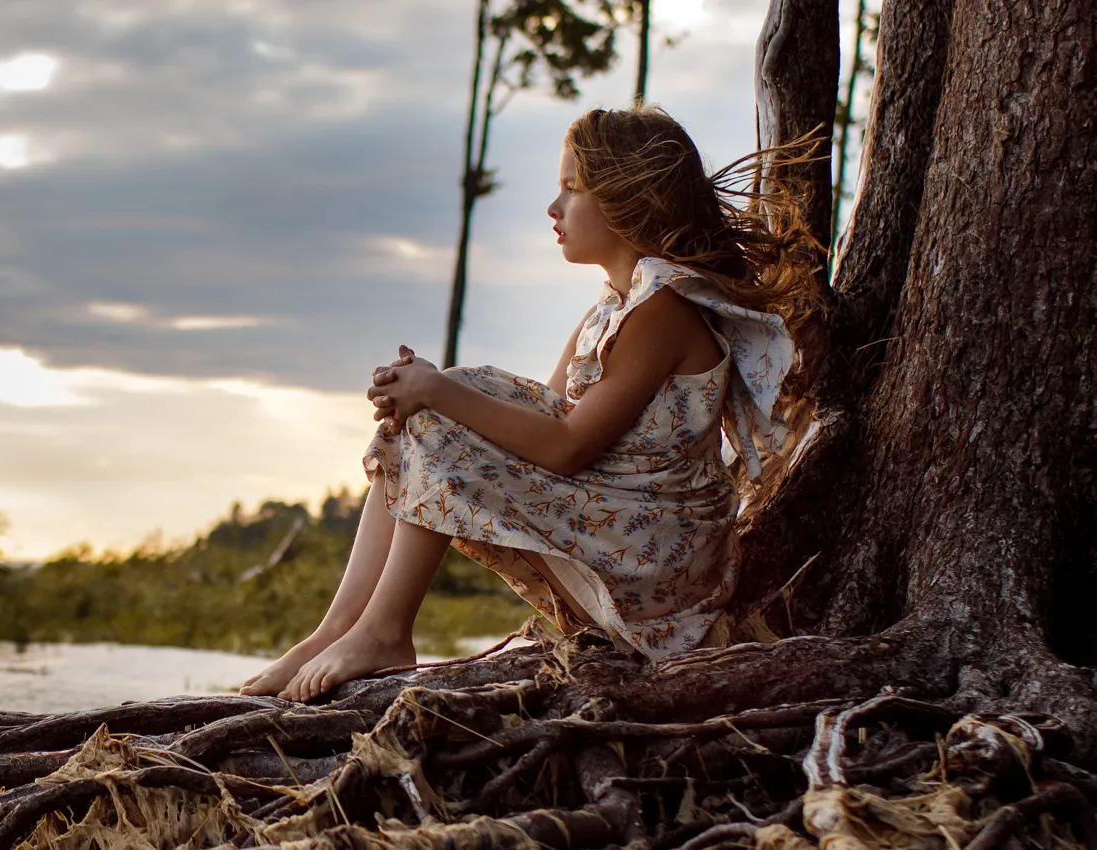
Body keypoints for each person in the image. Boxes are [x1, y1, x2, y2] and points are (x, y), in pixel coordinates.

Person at [240, 105, 822, 702]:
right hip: (623, 523)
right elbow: (539, 417)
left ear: (628, 201)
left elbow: (565, 448)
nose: (553, 208)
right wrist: (428, 395)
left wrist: (438, 393)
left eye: (572, 189)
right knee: (437, 408)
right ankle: (340, 627)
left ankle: (386, 631)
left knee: (444, 405)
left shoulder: (664, 311)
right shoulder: (615, 307)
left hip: (661, 563)